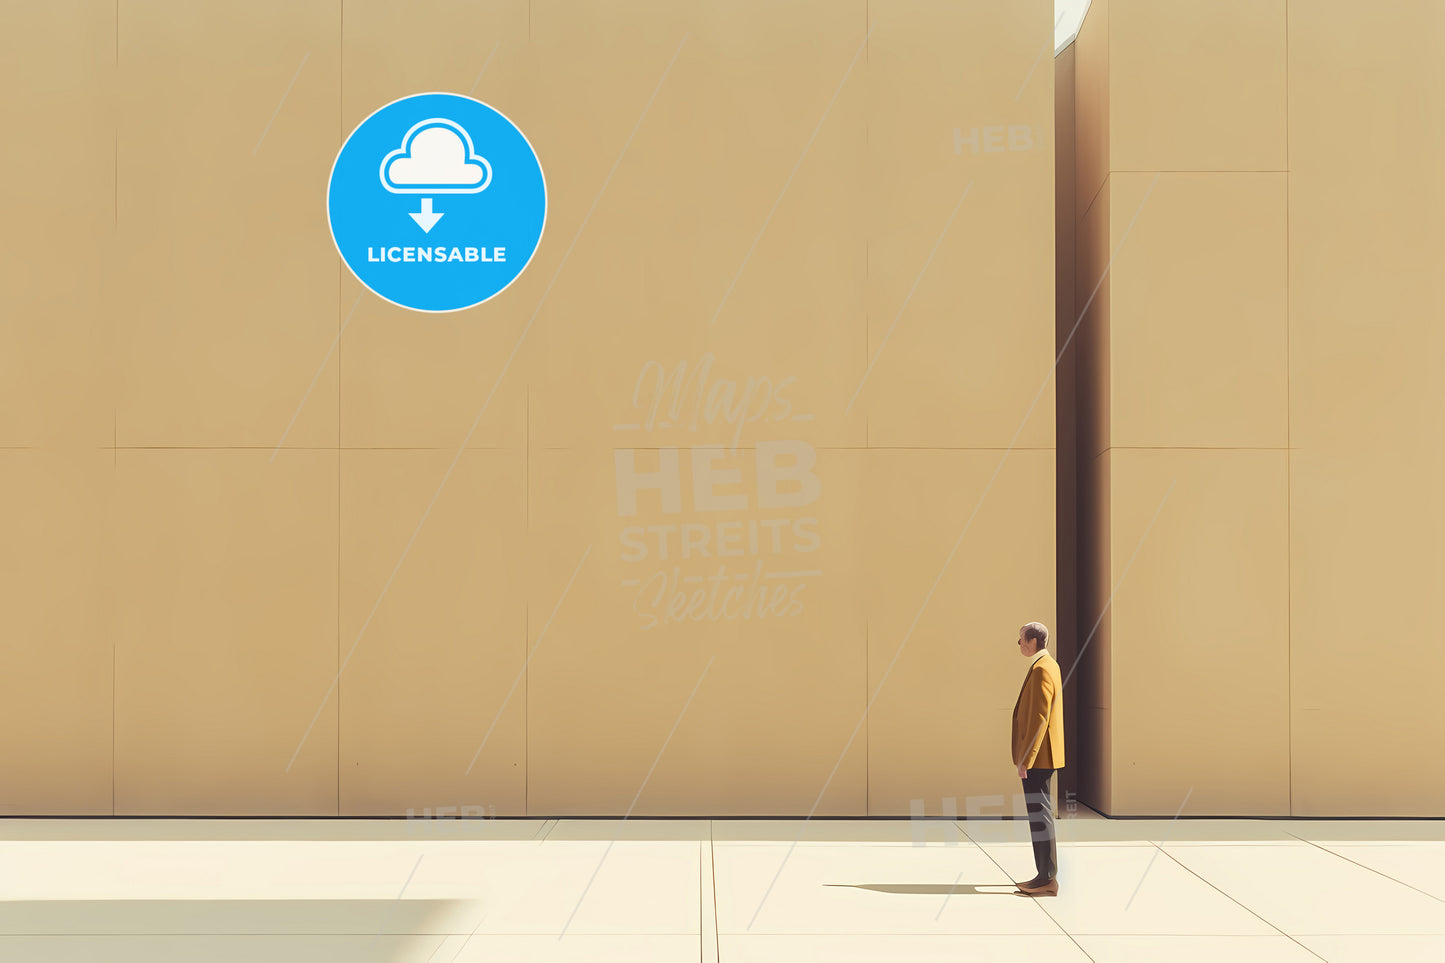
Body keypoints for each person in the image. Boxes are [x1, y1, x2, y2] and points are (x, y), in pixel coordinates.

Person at [1011, 621, 1064, 896]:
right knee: (1041, 814)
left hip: (1039, 757)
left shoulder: (1042, 669)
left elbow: (1039, 719)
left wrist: (1026, 759)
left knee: (1040, 816)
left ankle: (1046, 878)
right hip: (1044, 755)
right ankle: (1045, 875)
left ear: (1033, 641)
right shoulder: (1049, 665)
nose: (1019, 643)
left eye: (1021, 639)